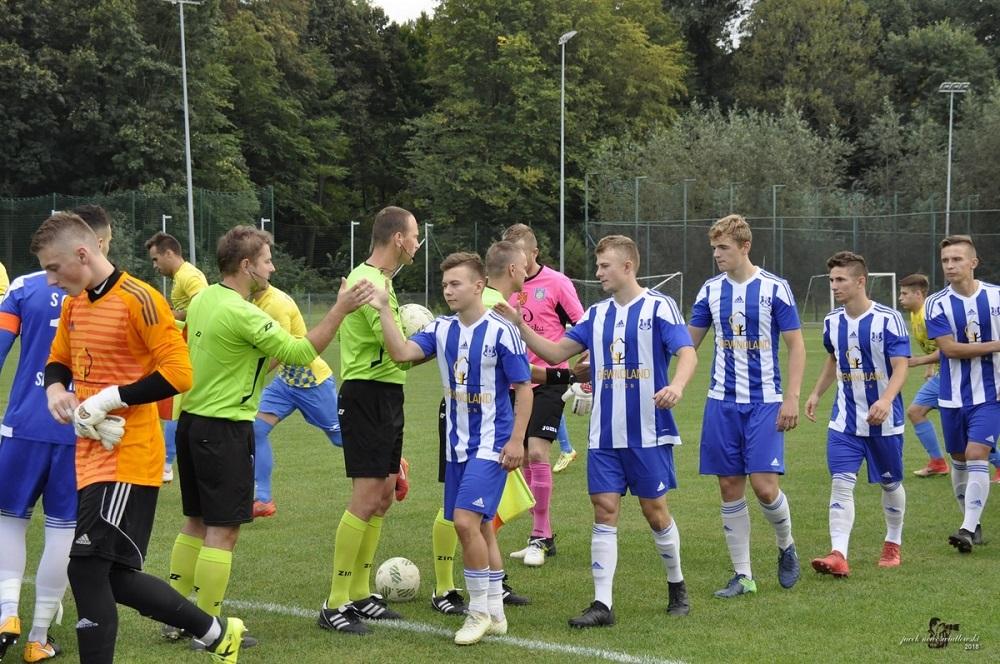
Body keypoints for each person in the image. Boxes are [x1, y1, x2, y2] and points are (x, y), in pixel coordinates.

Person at [34, 212, 245, 663]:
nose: (50, 280)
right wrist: (56, 389)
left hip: (129, 457)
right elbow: (59, 361)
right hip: (90, 457)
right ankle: (216, 633)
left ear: (83, 254)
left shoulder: (141, 299)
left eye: (54, 268)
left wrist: (108, 399)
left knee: (86, 568)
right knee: (113, 577)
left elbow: (179, 373)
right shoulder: (75, 303)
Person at [166, 226, 373, 645]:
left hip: (191, 423)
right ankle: (208, 627)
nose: (272, 267)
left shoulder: (205, 297)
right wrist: (339, 309)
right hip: (224, 428)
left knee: (195, 522)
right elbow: (299, 353)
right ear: (247, 266)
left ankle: (174, 616)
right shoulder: (244, 312)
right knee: (223, 530)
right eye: (266, 261)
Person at [496, 234, 696, 627]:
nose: (598, 272)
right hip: (604, 436)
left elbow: (686, 352)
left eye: (605, 266)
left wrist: (677, 386)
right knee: (604, 511)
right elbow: (556, 353)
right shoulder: (596, 314)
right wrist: (519, 325)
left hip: (647, 433)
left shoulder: (659, 306)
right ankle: (602, 604)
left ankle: (677, 585)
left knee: (655, 513)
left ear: (627, 267)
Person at [378, 252, 532, 644]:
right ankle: (496, 613)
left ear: (479, 286)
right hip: (456, 446)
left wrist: (516, 440)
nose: (448, 291)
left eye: (456, 283)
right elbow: (401, 354)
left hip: (492, 444)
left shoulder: (501, 331)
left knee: (464, 523)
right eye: (445, 284)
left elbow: (524, 388)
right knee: (482, 528)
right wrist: (382, 309)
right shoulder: (442, 329)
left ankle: (477, 613)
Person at [0, 204, 111, 662]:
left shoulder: (23, 288)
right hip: (80, 431)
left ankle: (7, 611)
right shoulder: (108, 296)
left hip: (22, 427)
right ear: (97, 244)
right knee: (63, 532)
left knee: (9, 522)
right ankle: (38, 636)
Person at [687, 214, 805, 598]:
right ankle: (743, 576)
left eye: (723, 248)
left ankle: (786, 545)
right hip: (721, 402)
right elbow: (688, 343)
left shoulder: (775, 289)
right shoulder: (709, 291)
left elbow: (796, 345)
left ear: (744, 246)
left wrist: (792, 397)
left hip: (765, 402)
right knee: (728, 485)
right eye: (714, 248)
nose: (717, 255)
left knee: (765, 487)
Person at [318, 206, 420, 635]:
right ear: (398, 238)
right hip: (365, 395)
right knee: (364, 498)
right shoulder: (369, 282)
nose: (417, 242)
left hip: (386, 395)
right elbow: (398, 348)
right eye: (414, 235)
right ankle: (335, 602)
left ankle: (360, 593)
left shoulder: (382, 283)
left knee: (380, 497)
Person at [806, 251, 910, 576]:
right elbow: (833, 359)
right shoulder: (831, 321)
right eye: (832, 280)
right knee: (840, 483)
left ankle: (893, 541)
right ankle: (839, 553)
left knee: (890, 484)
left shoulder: (888, 319)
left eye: (841, 280)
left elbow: (901, 366)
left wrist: (886, 400)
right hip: (845, 422)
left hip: (884, 423)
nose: (834, 286)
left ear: (860, 281)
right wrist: (816, 393)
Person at [501, 224, 584, 567]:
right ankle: (543, 536)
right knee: (512, 458)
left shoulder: (557, 283)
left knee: (537, 453)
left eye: (518, 256)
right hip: (511, 383)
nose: (513, 264)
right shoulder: (500, 288)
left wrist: (585, 378)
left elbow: (583, 328)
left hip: (550, 380)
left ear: (533, 254)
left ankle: (539, 536)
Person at [923, 235, 1000, 552]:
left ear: (973, 262)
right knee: (958, 459)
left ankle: (967, 529)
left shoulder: (996, 297)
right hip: (952, 396)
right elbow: (950, 349)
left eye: (956, 259)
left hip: (991, 395)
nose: (950, 265)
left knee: (976, 453)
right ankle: (974, 520)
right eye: (945, 261)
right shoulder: (935, 303)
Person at [249, 281, 345, 518]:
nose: (271, 268)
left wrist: (249, 377)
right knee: (255, 431)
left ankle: (394, 463)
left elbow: (279, 352)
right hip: (286, 383)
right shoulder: (253, 299)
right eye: (267, 261)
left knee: (343, 438)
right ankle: (263, 499)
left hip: (312, 382)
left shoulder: (276, 304)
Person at [145, 231, 209, 484]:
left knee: (174, 406)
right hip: (181, 346)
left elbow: (204, 305)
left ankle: (166, 464)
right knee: (175, 407)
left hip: (189, 348)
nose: (154, 266)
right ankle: (168, 461)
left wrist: (172, 316)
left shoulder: (189, 275)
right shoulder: (180, 276)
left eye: (155, 259)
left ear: (169, 253)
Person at [897, 274, 950, 477]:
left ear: (918, 294)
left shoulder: (931, 314)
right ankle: (937, 463)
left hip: (955, 376)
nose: (900, 298)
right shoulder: (914, 313)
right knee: (915, 412)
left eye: (904, 294)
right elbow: (934, 346)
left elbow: (948, 348)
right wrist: (930, 367)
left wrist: (919, 361)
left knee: (963, 427)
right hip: (941, 374)